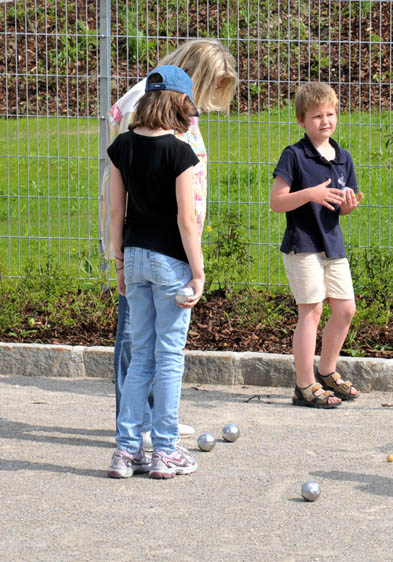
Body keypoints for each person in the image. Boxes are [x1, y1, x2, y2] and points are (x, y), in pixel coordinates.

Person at [99, 39, 238, 448]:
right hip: (157, 240)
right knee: (144, 340)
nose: (201, 104)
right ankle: (144, 428)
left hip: (145, 241)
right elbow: (135, 180)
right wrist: (195, 265)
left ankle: (145, 425)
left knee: (145, 341)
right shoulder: (150, 102)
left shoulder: (157, 101)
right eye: (205, 89)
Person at [106, 66, 206, 478]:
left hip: (134, 257)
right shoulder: (180, 152)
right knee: (169, 357)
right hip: (170, 262)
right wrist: (198, 273)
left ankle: (127, 450)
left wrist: (119, 260)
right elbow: (187, 220)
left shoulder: (122, 146)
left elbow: (115, 210)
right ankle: (165, 449)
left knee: (140, 356)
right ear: (181, 102)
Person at [269, 82, 363, 408]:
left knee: (345, 309)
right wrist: (310, 194)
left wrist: (349, 205)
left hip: (332, 245)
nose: (325, 121)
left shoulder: (343, 159)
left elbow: (341, 205)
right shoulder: (294, 156)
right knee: (312, 310)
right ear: (301, 121)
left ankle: (326, 371)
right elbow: (277, 202)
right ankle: (304, 385)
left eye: (330, 114)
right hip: (303, 244)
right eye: (316, 116)